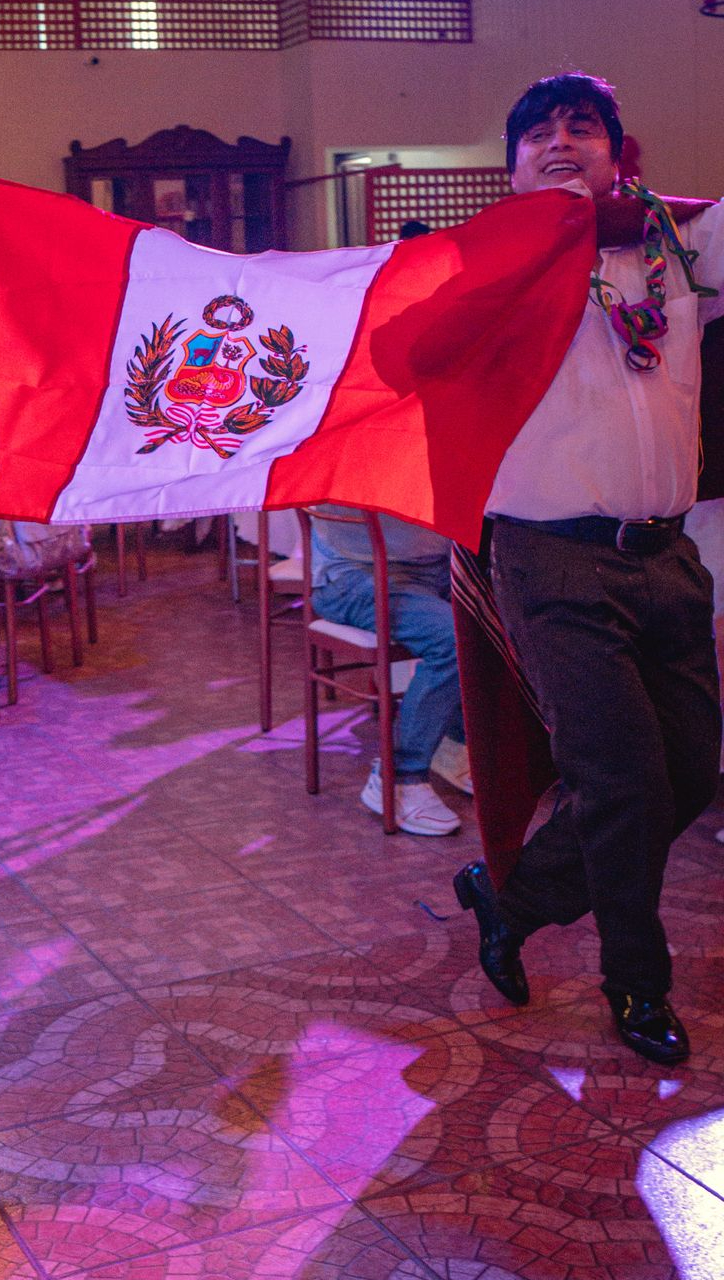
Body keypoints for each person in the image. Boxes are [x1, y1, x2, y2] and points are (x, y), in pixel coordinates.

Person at [453, 73, 724, 1065]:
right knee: (618, 778)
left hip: (666, 554)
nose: (560, 141)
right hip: (550, 556)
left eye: (582, 127)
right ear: (512, 166)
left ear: (618, 151)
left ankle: (511, 897)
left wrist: (641, 210)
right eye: (537, 133)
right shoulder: (482, 268)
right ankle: (636, 982)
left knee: (687, 770)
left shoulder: (677, 249)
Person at [309, 508, 470, 837]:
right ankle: (398, 778)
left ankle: (453, 743)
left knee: (505, 616)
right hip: (356, 575)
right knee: (454, 640)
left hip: (438, 568)